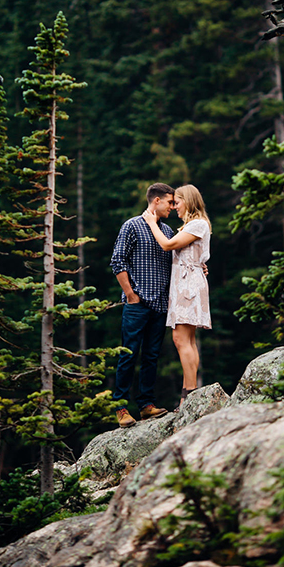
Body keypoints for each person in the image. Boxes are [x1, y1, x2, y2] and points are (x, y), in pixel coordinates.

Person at [109, 183, 175, 428]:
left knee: (152, 356)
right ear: (156, 201)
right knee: (129, 354)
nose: (173, 207)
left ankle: (146, 405)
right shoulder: (131, 225)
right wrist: (130, 294)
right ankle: (121, 408)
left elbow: (177, 261)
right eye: (170, 202)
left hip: (160, 304)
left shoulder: (167, 230)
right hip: (137, 304)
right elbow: (117, 261)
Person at [141, 183, 212, 409]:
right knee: (186, 340)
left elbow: (168, 245)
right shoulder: (190, 226)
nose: (174, 207)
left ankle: (189, 394)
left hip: (187, 286)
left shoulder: (198, 224)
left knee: (182, 340)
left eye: (177, 202)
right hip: (184, 283)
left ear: (188, 201)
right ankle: (187, 392)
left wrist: (152, 224)